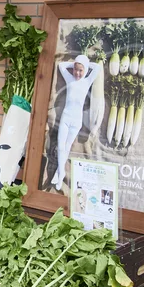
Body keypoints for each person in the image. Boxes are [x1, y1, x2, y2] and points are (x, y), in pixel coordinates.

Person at [51, 54, 101, 191]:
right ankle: (60, 174)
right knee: (61, 145)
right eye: (75, 70)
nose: (77, 73)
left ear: (85, 70)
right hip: (66, 118)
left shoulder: (87, 81)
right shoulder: (70, 79)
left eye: (80, 70)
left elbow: (97, 68)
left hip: (76, 121)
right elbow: (61, 66)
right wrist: (75, 63)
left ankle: (59, 173)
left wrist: (85, 62)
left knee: (67, 147)